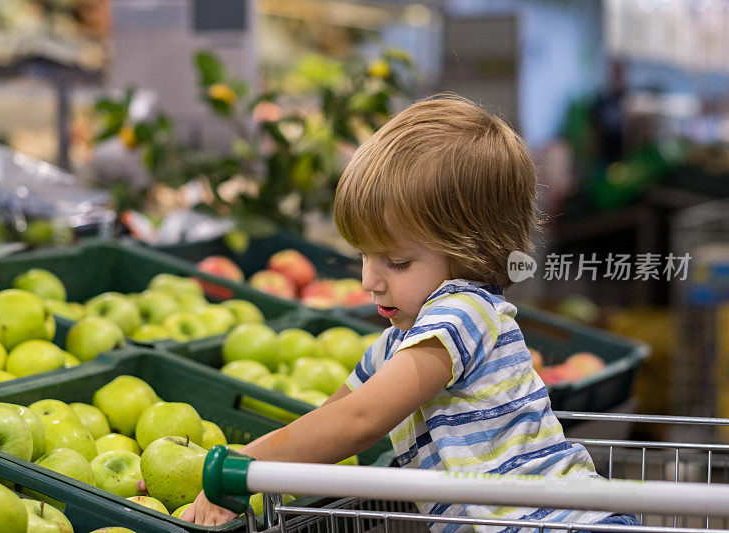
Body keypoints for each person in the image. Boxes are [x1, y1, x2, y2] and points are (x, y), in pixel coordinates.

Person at [182, 95, 638, 531]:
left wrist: (239, 469)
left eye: (396, 262)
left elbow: (359, 422)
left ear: (472, 253)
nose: (368, 280)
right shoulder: (399, 341)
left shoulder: (464, 312)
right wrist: (247, 463)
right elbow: (331, 420)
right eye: (363, 256)